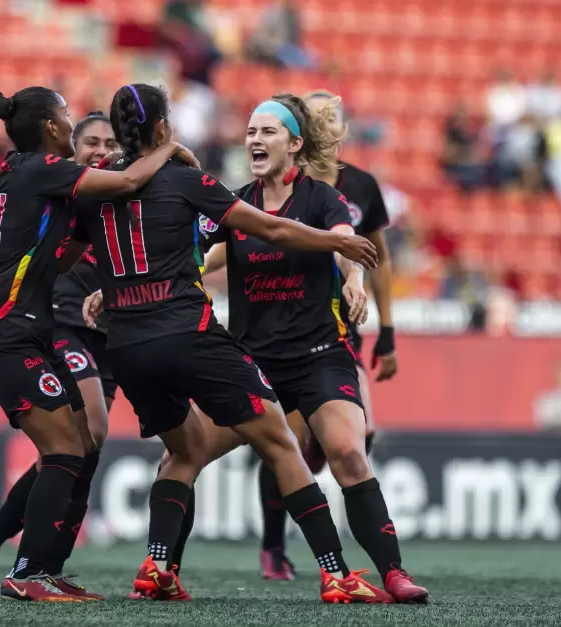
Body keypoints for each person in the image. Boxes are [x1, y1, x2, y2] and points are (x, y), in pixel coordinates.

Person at [75, 84, 386, 604]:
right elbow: (273, 229)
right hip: (187, 335)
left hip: (125, 346)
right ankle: (336, 574)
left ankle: (156, 568)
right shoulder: (190, 181)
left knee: (184, 451)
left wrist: (109, 293)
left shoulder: (95, 188)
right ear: (162, 128)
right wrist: (337, 241)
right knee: (282, 444)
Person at [0, 86, 195, 603]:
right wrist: (167, 147)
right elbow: (129, 180)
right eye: (66, 116)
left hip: (19, 329)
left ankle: (39, 565)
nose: (73, 121)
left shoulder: (24, 173)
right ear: (57, 131)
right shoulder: (45, 170)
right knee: (65, 447)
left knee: (78, 441)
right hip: (9, 330)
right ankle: (28, 572)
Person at [177, 92, 427, 603]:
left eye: (267, 132)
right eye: (250, 132)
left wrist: (353, 281)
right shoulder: (234, 203)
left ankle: (394, 574)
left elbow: (343, 243)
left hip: (318, 356)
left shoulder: (324, 197)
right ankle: (162, 571)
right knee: (184, 453)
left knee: (348, 455)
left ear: (294, 144)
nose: (254, 140)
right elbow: (203, 256)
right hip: (251, 363)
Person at [0, 112, 121, 598]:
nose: (99, 149)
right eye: (90, 140)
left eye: (110, 141)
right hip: (58, 328)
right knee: (82, 438)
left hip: (96, 337)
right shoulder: (56, 182)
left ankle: (14, 554)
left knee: (81, 448)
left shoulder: (95, 201)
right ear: (71, 141)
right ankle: (27, 570)